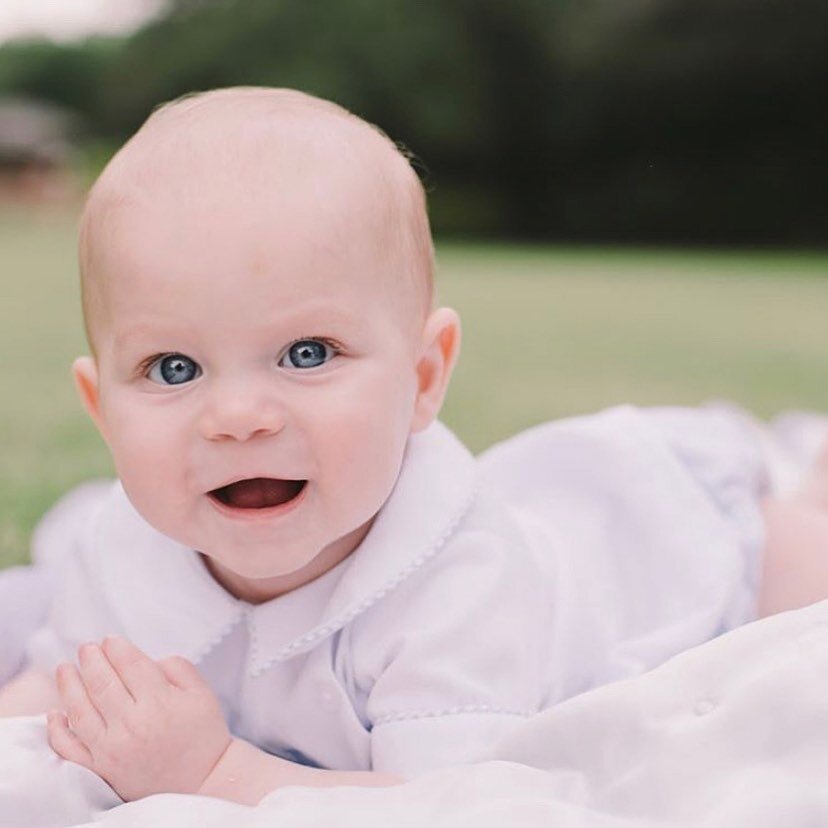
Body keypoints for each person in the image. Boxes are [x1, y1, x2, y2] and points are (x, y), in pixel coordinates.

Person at [0, 85, 826, 807]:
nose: (238, 416)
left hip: (682, 554)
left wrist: (217, 775)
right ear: (102, 409)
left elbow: (450, 799)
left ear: (425, 376)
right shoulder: (122, 547)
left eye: (308, 353)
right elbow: (55, 691)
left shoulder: (458, 579)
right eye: (173, 368)